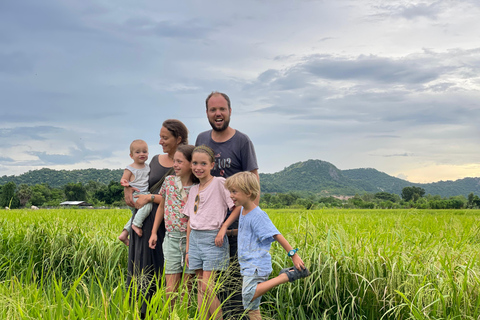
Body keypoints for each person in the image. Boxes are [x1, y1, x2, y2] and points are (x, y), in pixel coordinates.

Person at [195, 91, 259, 319]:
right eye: (213, 110)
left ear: (230, 111)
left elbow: (254, 187)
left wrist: (248, 223)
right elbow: (197, 180)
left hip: (236, 230)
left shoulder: (242, 141)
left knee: (238, 283)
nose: (218, 113)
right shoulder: (202, 139)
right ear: (207, 113)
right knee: (213, 287)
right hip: (208, 231)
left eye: (222, 109)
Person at [124, 119, 188, 318]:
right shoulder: (153, 161)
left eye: (164, 137)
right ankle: (140, 311)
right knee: (142, 267)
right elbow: (140, 183)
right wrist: (128, 191)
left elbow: (176, 197)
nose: (160, 141)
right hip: (145, 222)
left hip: (167, 225)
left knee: (163, 268)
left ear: (178, 139)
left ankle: (163, 311)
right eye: (160, 137)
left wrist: (150, 197)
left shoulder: (185, 163)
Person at [225, 172, 311, 320]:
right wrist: (228, 232)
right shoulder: (243, 211)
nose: (231, 195)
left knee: (248, 295)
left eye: (234, 192)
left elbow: (276, 234)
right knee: (252, 308)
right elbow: (247, 232)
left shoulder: (258, 215)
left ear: (248, 192)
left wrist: (294, 255)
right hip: (247, 264)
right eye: (230, 191)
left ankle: (286, 276)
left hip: (256, 264)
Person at [184, 145, 241, 320]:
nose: (198, 167)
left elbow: (238, 206)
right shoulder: (193, 189)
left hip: (212, 239)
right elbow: (189, 222)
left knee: (207, 287)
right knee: (201, 287)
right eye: (195, 163)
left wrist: (223, 227)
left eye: (203, 163)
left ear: (211, 165)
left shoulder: (220, 183)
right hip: (195, 239)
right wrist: (187, 249)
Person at [148, 144, 197, 308]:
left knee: (186, 290)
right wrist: (154, 232)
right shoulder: (169, 182)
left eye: (179, 161)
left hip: (191, 241)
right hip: (171, 238)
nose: (175, 165)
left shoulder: (198, 188)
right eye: (174, 161)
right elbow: (161, 206)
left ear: (191, 164)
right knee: (170, 291)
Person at [118, 139, 151, 246]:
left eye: (144, 151)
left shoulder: (148, 167)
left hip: (144, 193)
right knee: (149, 204)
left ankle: (124, 234)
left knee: (135, 215)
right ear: (131, 155)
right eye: (138, 152)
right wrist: (125, 183)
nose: (142, 154)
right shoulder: (130, 168)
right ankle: (136, 225)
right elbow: (124, 179)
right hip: (135, 196)